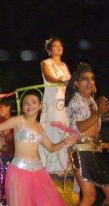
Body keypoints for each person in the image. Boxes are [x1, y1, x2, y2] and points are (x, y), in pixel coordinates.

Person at [67, 63, 109, 206]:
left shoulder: (91, 100)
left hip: (94, 151)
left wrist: (101, 112)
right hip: (81, 151)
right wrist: (99, 112)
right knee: (89, 197)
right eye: (85, 79)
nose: (89, 82)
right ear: (77, 83)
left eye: (91, 78)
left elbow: (95, 127)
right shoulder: (75, 101)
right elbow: (80, 127)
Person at [39, 36, 71, 175]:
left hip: (61, 102)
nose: (59, 47)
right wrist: (59, 81)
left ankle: (62, 165)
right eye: (55, 46)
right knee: (51, 128)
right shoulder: (45, 62)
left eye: (61, 45)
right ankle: (49, 166)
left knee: (62, 129)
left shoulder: (64, 65)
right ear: (49, 50)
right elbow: (49, 77)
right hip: (51, 101)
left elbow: (69, 81)